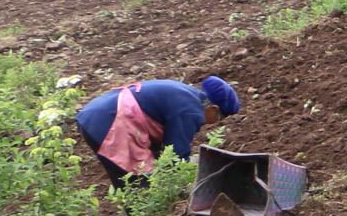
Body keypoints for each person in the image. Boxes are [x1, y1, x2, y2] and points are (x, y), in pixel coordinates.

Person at [75, 76, 238, 184]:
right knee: (141, 181)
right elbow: (175, 156)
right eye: (218, 118)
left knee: (125, 180)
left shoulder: (185, 93)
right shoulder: (191, 110)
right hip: (112, 123)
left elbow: (162, 149)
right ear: (213, 109)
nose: (212, 123)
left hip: (93, 118)